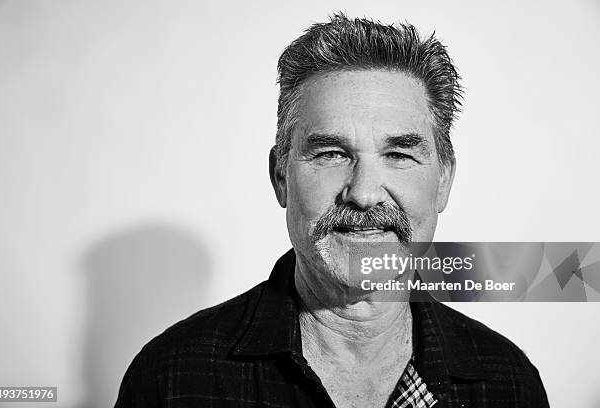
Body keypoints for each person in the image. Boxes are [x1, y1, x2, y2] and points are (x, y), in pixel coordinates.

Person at [115, 13, 549, 408]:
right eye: (330, 153)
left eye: (399, 154)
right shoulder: (170, 379)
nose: (364, 195)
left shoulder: (509, 384)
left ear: (443, 182)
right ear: (280, 176)